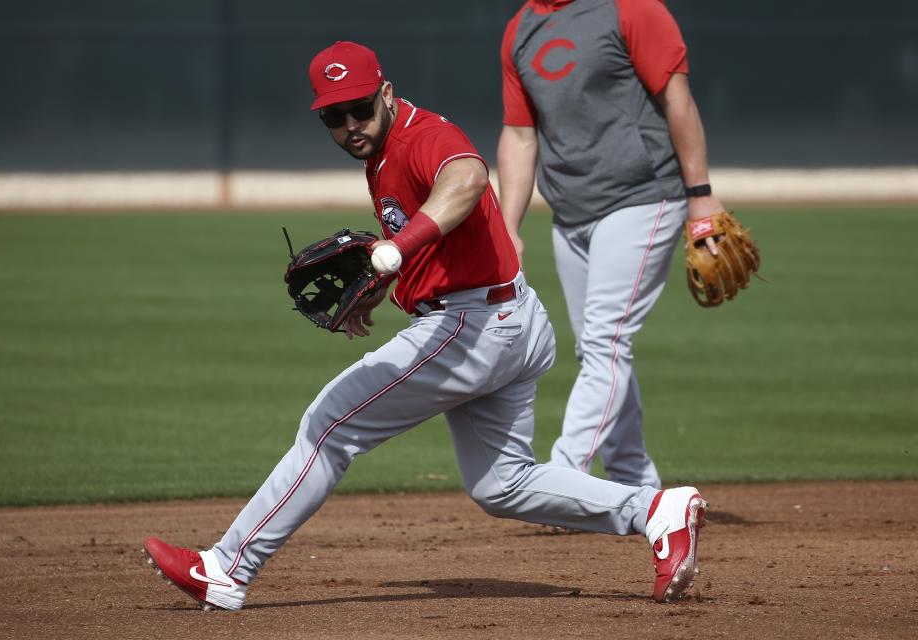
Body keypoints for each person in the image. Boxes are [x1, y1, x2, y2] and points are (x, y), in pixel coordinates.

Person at [142, 40, 707, 610]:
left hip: (475, 327)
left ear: (386, 93)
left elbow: (465, 176)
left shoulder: (423, 136)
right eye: (334, 117)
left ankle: (227, 568)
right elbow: (438, 236)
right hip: (506, 319)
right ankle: (658, 512)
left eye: (360, 108)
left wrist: (398, 248)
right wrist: (391, 278)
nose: (350, 125)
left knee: (330, 425)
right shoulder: (381, 154)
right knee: (500, 483)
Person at [497, 0, 724, 488]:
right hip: (571, 213)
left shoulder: (632, 9)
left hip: (643, 196)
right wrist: (507, 228)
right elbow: (519, 135)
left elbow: (677, 100)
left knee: (605, 343)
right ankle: (633, 480)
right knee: (598, 350)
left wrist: (701, 195)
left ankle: (562, 476)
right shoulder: (521, 28)